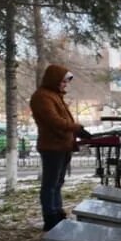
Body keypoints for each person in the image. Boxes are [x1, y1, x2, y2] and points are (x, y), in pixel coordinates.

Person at [30, 65, 90, 230]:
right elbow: (54, 121)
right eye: (63, 81)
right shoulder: (42, 97)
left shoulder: (54, 96)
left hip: (62, 145)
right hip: (52, 146)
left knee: (57, 183)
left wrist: (77, 132)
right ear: (54, 80)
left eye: (66, 82)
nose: (65, 85)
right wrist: (76, 128)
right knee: (50, 184)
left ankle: (57, 214)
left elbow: (61, 120)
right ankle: (51, 218)